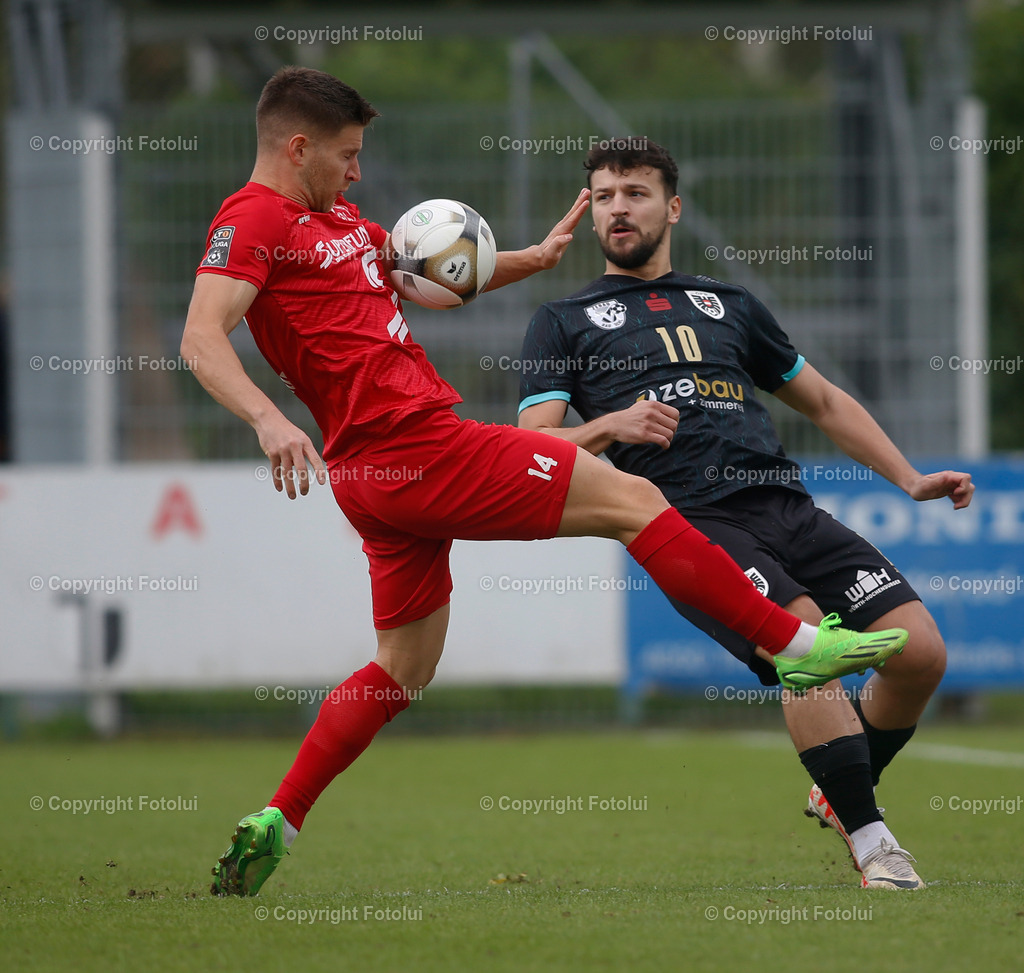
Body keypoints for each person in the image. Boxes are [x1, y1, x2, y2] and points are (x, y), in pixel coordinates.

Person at [182, 68, 908, 897]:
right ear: (296, 147)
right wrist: (268, 419)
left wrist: (531, 258)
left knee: (403, 667)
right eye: (346, 155)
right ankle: (798, 646)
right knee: (636, 499)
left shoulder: (338, 220)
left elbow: (431, 269)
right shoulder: (253, 219)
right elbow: (202, 336)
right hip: (412, 443)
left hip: (378, 478)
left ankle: (278, 818)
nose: (357, 171)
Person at [518, 139, 974, 890]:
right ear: (591, 213)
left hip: (786, 506)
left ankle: (841, 786)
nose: (617, 209)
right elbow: (533, 445)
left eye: (635, 193)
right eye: (603, 197)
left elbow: (823, 401)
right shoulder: (562, 320)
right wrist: (610, 425)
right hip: (690, 524)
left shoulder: (728, 304)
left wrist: (910, 478)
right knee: (808, 648)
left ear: (673, 207)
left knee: (920, 653)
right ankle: (875, 846)